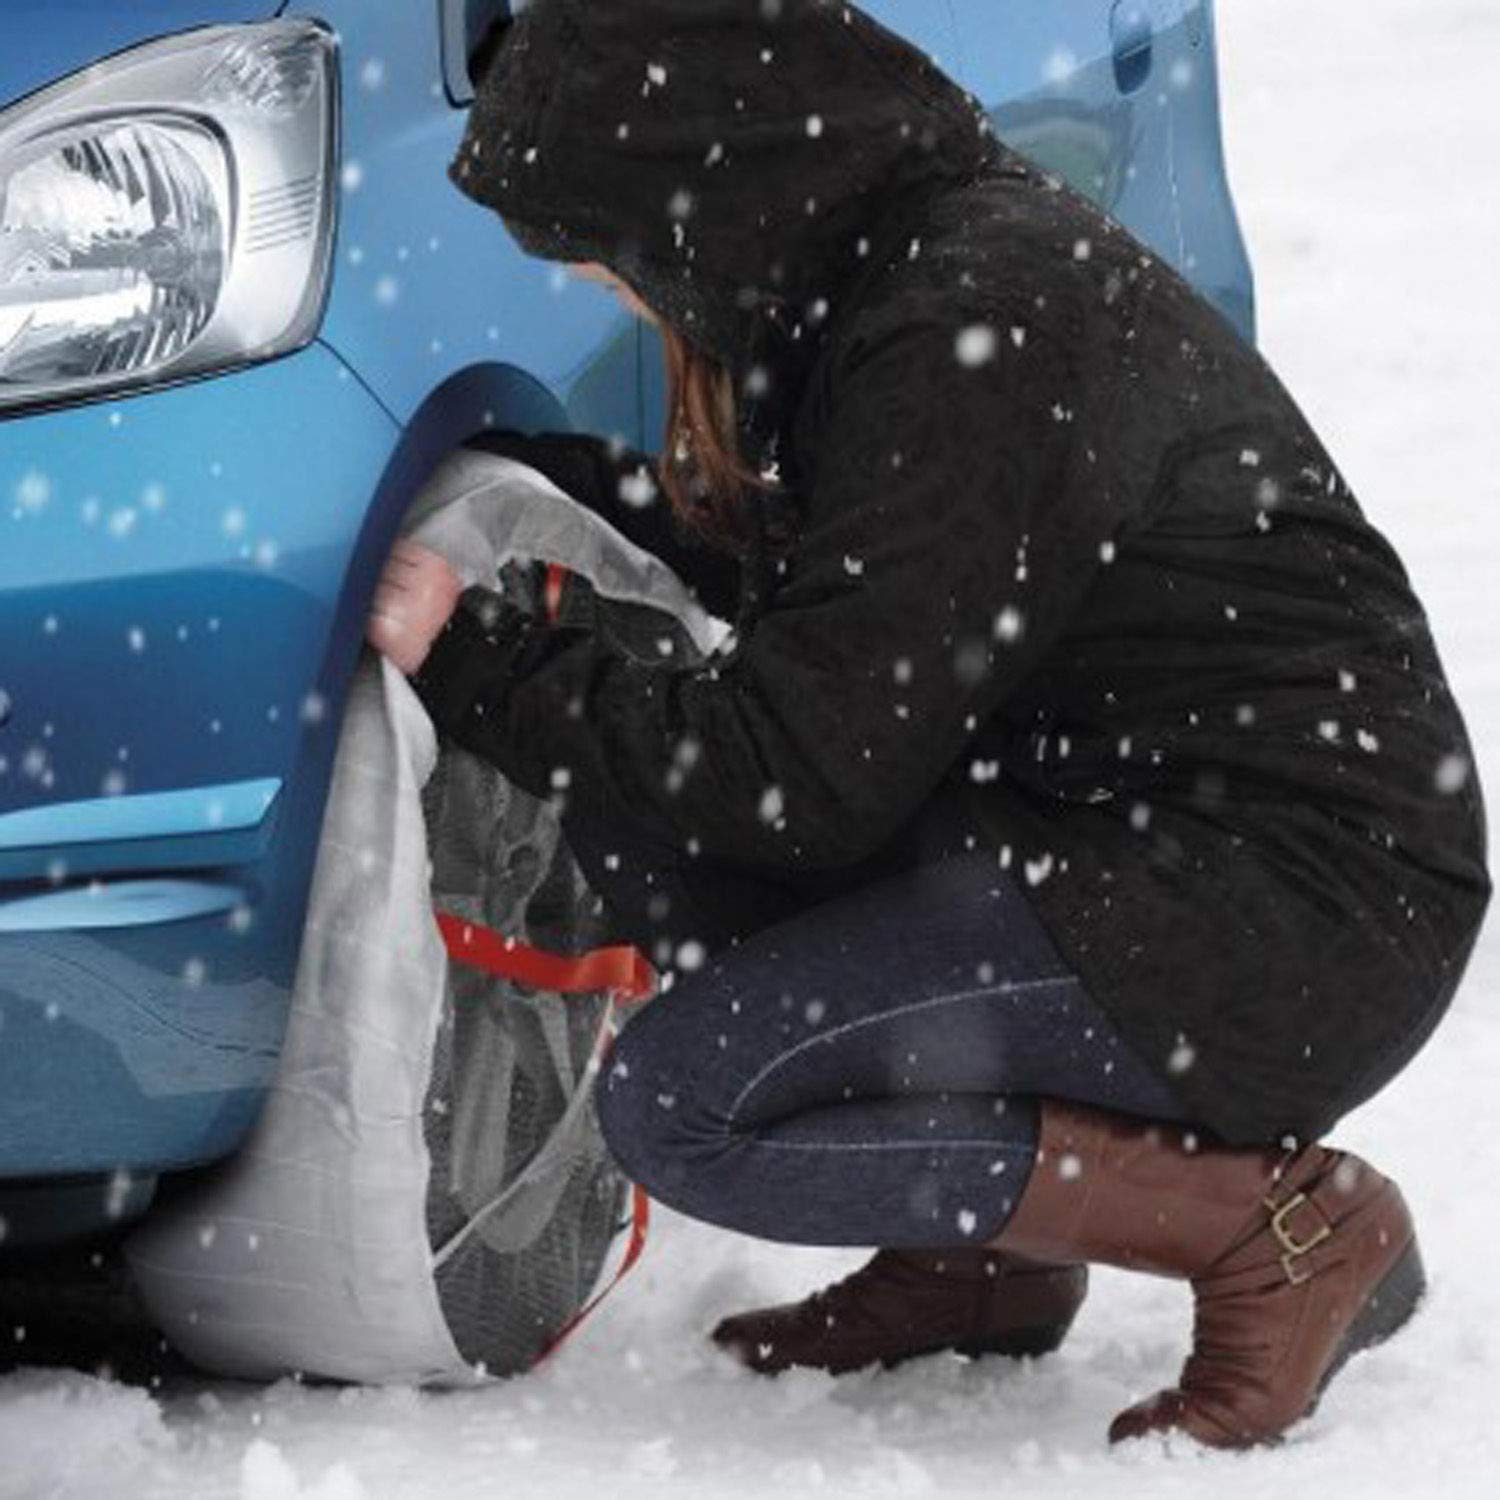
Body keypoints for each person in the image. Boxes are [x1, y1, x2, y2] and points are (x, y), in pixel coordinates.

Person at [364, 0, 1490, 1450]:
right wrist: (556, 483)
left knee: (686, 1105)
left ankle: (1278, 1231)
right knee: (662, 838)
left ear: (697, 202)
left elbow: (798, 774)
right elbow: (854, 582)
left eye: (606, 252)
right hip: (1126, 825)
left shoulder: (977, 328)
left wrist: (476, 661)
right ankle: (984, 1259)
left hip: (1296, 908)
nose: (604, 288)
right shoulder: (905, 269)